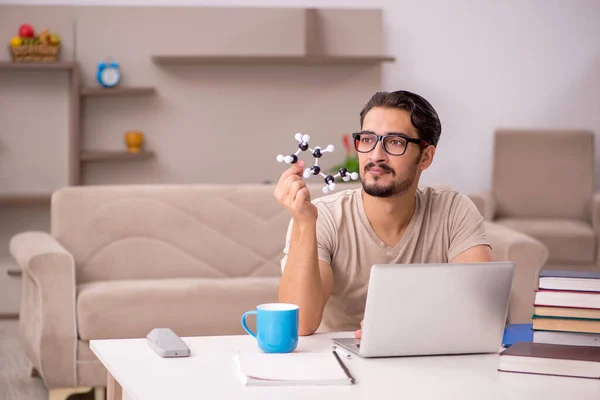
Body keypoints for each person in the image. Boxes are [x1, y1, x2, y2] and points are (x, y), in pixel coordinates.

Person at [274, 90, 493, 339]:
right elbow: (300, 324)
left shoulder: (454, 211)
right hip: (336, 362)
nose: (376, 155)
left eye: (395, 142)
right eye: (367, 140)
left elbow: (482, 310)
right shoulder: (322, 217)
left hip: (426, 360)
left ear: (426, 157)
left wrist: (409, 325)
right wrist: (304, 223)